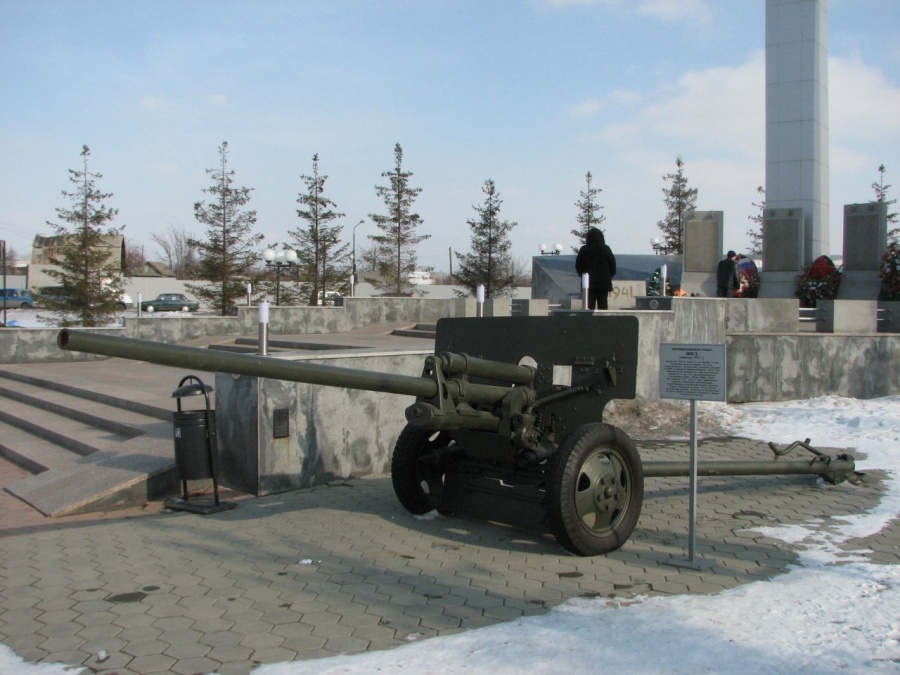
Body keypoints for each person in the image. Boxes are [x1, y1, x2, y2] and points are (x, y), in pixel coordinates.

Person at [575, 227, 616, 310]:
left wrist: (584, 277)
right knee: (603, 305)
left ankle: (590, 322)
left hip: (588, 284)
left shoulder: (584, 250)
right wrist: (607, 277)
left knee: (589, 306)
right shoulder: (606, 249)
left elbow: (578, 266)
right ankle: (603, 322)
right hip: (603, 284)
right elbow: (613, 265)